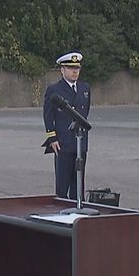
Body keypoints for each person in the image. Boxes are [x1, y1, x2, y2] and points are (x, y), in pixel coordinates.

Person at [42, 52, 91, 199]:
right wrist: (52, 137)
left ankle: (78, 209)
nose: (75, 71)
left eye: (77, 68)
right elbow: (48, 115)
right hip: (62, 142)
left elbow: (85, 112)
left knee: (79, 182)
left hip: (80, 140)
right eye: (70, 68)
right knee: (63, 183)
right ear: (62, 70)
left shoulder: (85, 88)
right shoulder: (54, 89)